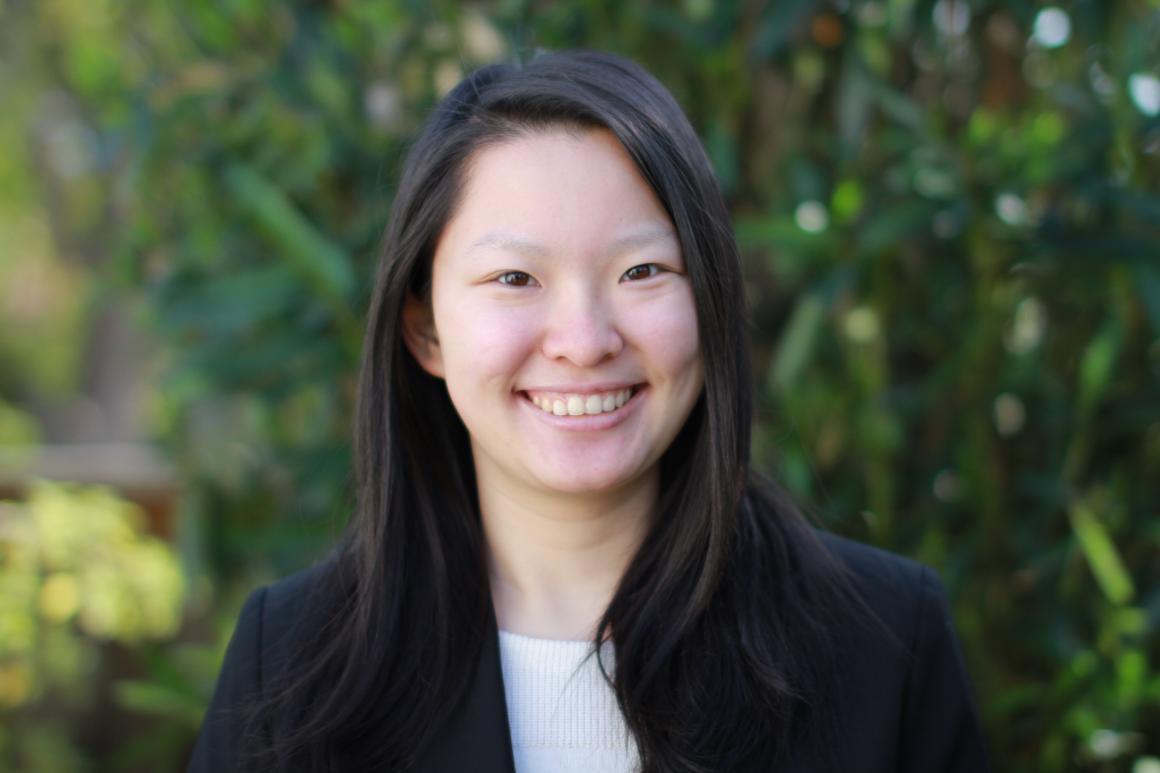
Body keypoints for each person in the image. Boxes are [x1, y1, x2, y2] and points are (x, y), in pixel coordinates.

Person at [188, 50, 989, 772]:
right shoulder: (292, 663)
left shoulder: (885, 645)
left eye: (641, 270)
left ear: (709, 301)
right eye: (514, 278)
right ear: (426, 326)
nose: (583, 340)